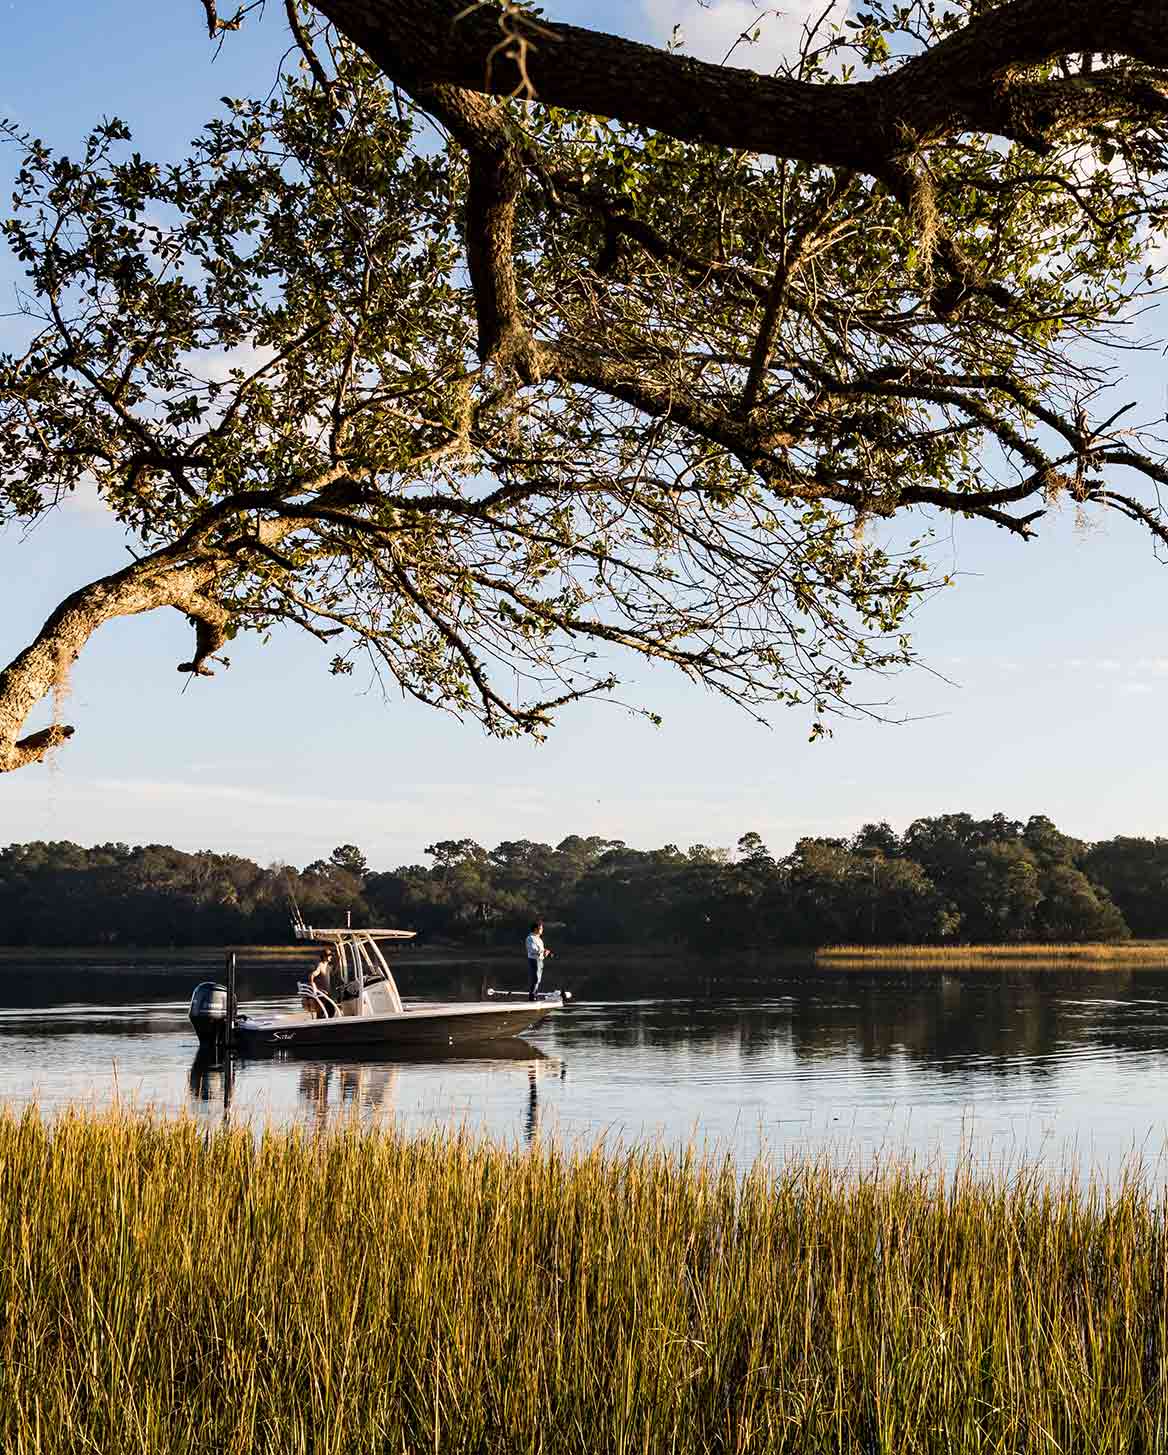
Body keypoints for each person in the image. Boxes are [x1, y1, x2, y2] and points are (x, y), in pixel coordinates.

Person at [525, 920, 551, 1000]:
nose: (542, 930)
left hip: (540, 961)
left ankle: (535, 995)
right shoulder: (530, 938)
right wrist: (543, 951)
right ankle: (532, 996)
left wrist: (546, 953)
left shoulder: (539, 939)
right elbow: (532, 950)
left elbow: (540, 951)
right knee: (535, 978)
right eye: (540, 928)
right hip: (534, 960)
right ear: (536, 929)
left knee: (538, 979)